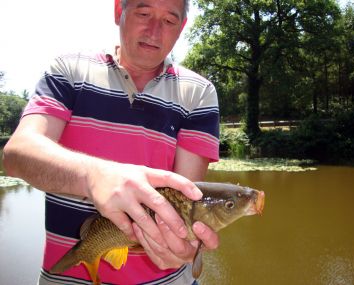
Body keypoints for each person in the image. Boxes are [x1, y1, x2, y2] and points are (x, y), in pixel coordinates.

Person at [2, 0, 220, 284]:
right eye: (144, 13)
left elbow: (185, 200)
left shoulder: (199, 93)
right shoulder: (69, 71)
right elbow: (17, 155)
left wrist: (182, 245)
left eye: (169, 20)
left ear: (181, 28)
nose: (154, 30)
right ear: (119, 11)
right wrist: (95, 176)